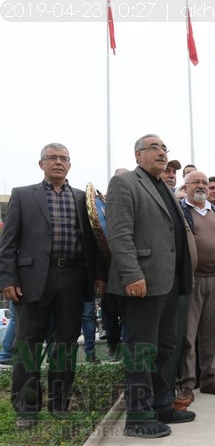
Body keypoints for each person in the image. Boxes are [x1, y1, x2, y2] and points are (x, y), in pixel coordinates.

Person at [0, 142, 106, 428]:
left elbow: (93, 244)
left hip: (72, 278)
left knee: (65, 345)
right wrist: (7, 279)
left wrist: (97, 275)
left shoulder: (83, 199)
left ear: (70, 164)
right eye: (52, 158)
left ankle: (60, 403)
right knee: (28, 345)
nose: (58, 162)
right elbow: (8, 243)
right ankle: (27, 409)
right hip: (32, 280)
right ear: (41, 164)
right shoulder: (23, 196)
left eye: (63, 158)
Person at [106, 134, 197, 438]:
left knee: (166, 346)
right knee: (142, 350)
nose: (161, 153)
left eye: (163, 148)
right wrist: (132, 274)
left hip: (168, 282)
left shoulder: (164, 187)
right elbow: (119, 234)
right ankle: (138, 415)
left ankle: (161, 404)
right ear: (137, 155)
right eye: (154, 148)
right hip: (142, 282)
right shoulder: (124, 184)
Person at [177, 171, 215, 403]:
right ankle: (186, 383)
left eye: (205, 182)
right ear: (186, 186)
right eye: (196, 182)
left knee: (214, 332)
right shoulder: (180, 211)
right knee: (188, 334)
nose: (201, 186)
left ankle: (209, 379)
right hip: (191, 280)